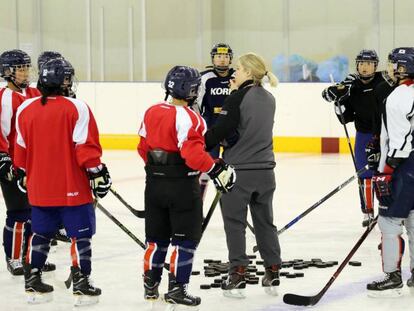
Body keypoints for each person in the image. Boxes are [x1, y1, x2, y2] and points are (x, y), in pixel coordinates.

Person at [14, 58, 112, 305]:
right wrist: (99, 173)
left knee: (41, 233)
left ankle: (33, 280)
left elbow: (20, 151)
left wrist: (24, 175)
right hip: (72, 188)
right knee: (81, 236)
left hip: (39, 189)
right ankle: (81, 282)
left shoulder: (26, 108)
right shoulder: (76, 108)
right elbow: (86, 151)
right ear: (64, 80)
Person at [138, 65, 236, 306]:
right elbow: (192, 155)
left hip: (153, 186)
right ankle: (177, 288)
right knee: (185, 240)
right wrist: (215, 168)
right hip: (182, 188)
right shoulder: (192, 117)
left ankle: (150, 286)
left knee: (156, 238)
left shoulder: (151, 111)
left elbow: (142, 147)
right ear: (189, 89)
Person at [204, 52, 281, 298]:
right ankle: (272, 269)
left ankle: (237, 274)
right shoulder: (269, 98)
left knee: (235, 224)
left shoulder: (236, 98)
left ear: (248, 72)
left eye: (238, 69)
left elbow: (220, 131)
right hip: (266, 171)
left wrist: (196, 146)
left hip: (239, 173)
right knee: (264, 222)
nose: (234, 73)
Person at [0, 49, 55, 276]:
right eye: (19, 69)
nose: (24, 73)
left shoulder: (35, 92)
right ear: (7, 72)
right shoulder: (3, 98)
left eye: (25, 68)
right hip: (14, 164)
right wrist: (3, 158)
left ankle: (30, 256)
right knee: (18, 213)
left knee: (36, 212)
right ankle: (13, 258)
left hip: (36, 165)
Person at [366, 47, 414, 297]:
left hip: (403, 167)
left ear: (403, 67)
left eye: (394, 64)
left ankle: (392, 275)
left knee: (389, 222)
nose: (390, 68)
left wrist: (385, 171)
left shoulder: (399, 95)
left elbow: (400, 140)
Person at [322, 49, 387, 227]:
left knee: (385, 173)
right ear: (357, 65)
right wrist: (338, 102)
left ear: (375, 65)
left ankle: (387, 210)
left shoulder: (385, 81)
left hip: (386, 135)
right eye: (361, 63)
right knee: (364, 175)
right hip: (364, 135)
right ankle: (367, 212)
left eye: (369, 63)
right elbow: (346, 117)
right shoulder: (352, 86)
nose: (365, 67)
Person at [196, 43, 235, 200]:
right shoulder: (204, 77)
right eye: (219, 56)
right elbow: (196, 104)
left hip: (231, 131)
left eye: (226, 56)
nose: (222, 60)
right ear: (213, 59)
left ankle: (230, 204)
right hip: (211, 129)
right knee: (206, 168)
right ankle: (197, 204)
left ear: (230, 59)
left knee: (230, 170)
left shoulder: (236, 76)